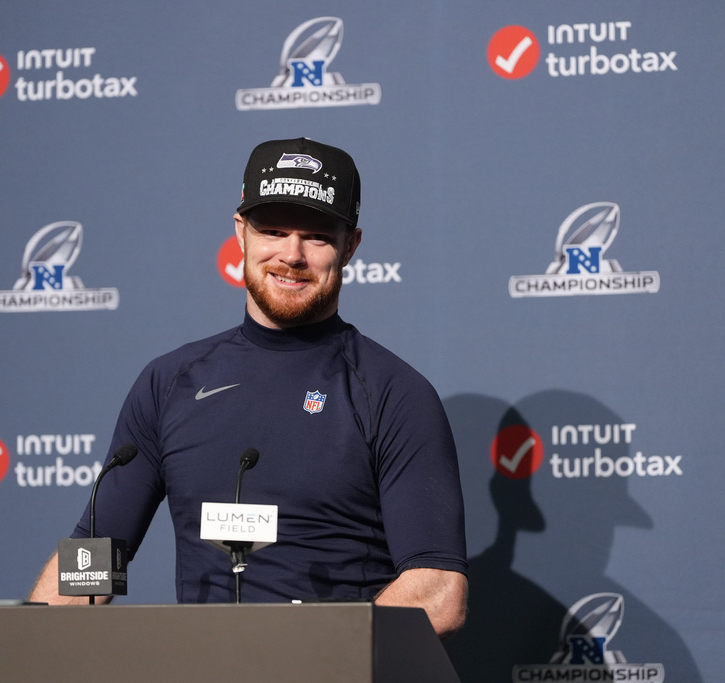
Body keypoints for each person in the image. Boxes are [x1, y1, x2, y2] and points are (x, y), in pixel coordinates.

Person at [28, 137, 468, 638]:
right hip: (201, 667)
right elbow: (89, 566)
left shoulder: (393, 393)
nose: (291, 255)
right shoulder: (168, 383)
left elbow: (438, 592)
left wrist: (314, 658)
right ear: (241, 232)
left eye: (316, 237)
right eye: (273, 231)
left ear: (351, 246)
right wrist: (18, 647)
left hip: (337, 668)